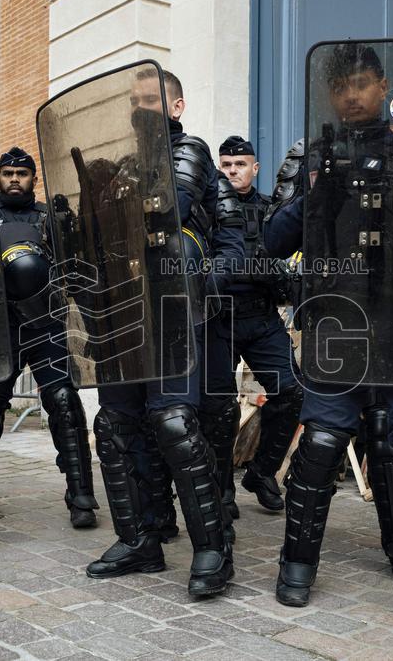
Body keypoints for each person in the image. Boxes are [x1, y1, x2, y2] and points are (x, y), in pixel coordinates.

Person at [264, 44, 393, 633]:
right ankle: (295, 569)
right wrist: (315, 196)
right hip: (339, 324)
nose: (352, 96)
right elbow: (273, 241)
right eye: (341, 86)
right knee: (322, 443)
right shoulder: (314, 156)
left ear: (383, 84)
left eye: (362, 83)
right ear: (329, 94)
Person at [72, 68, 244, 596]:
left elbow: (200, 224)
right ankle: (139, 539)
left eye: (151, 100)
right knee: (116, 425)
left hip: (175, 313)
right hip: (123, 315)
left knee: (173, 424)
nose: (139, 108)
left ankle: (213, 549)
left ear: (176, 106)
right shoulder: (121, 167)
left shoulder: (192, 156)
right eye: (134, 100)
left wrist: (198, 280)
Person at [0, 147, 98, 528]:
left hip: (45, 323)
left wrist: (70, 226)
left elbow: (77, 267)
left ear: (33, 179)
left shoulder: (48, 218)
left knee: (63, 401)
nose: (14, 179)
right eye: (7, 172)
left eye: (21, 174)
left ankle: (81, 496)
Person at [200, 135, 303, 519]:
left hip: (260, 317)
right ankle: (221, 490)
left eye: (239, 165)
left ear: (254, 168)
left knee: (292, 393)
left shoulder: (272, 212)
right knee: (218, 410)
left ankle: (261, 474)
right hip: (217, 319)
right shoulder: (205, 211)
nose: (232, 171)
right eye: (225, 165)